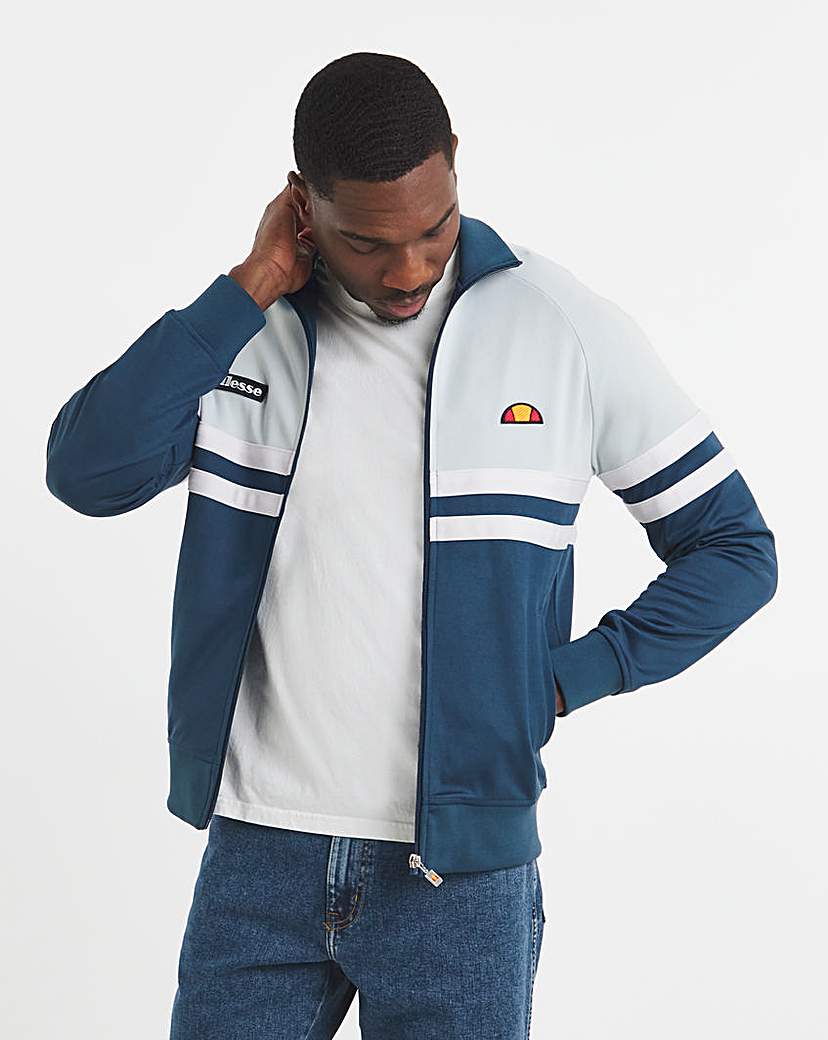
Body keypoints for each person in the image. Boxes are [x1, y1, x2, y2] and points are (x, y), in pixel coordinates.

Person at [44, 51, 778, 1040]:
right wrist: (249, 285)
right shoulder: (243, 335)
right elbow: (87, 472)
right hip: (259, 851)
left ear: (456, 164)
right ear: (302, 206)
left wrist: (561, 680)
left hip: (458, 876)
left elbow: (734, 547)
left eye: (434, 228)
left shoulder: (557, 327)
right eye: (367, 242)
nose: (410, 270)